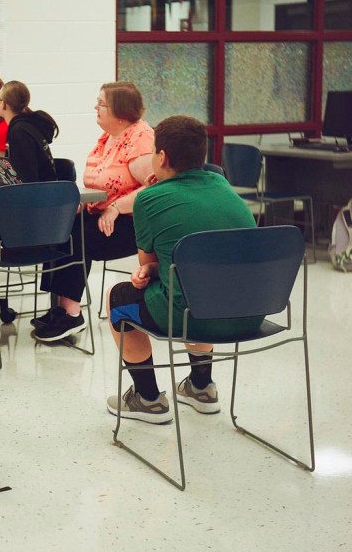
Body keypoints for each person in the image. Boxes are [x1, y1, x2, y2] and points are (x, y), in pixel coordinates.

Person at [106, 115, 262, 424]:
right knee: (205, 285)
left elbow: (145, 265)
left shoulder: (148, 199)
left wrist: (148, 269)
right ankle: (201, 387)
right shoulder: (221, 183)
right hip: (253, 310)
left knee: (119, 299)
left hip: (193, 315)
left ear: (161, 157)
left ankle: (148, 398)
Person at [32, 81, 154, 342]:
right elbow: (99, 184)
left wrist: (115, 208)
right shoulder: (108, 137)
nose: (95, 107)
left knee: (76, 236)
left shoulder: (140, 137)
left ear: (120, 110)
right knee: (61, 228)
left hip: (132, 223)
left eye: (101, 103)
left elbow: (154, 188)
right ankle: (59, 306)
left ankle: (72, 313)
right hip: (102, 214)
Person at [0, 80, 59, 182]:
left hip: (39, 194)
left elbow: (27, 178)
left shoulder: (19, 132)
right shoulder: (28, 125)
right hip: (46, 191)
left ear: (3, 104)